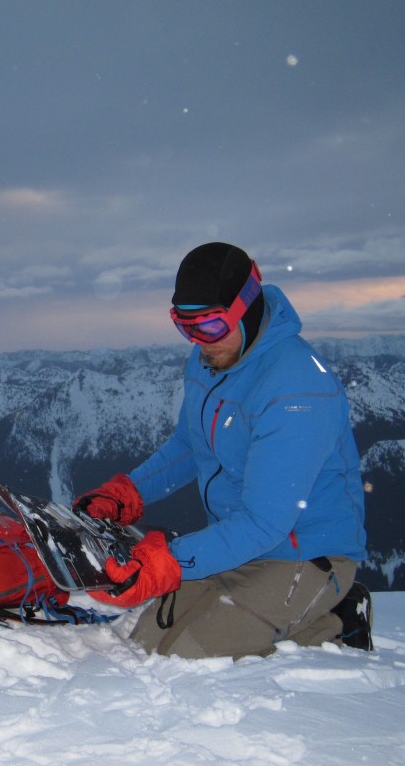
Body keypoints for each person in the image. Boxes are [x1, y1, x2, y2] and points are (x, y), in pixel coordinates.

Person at [75, 242, 372, 659]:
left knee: (185, 659)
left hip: (303, 555)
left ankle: (337, 616)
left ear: (246, 307)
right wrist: (129, 491)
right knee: (146, 640)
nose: (199, 342)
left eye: (210, 327)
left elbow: (265, 523)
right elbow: (188, 446)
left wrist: (170, 562)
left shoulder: (296, 391)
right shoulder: (209, 360)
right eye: (185, 327)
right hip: (236, 543)